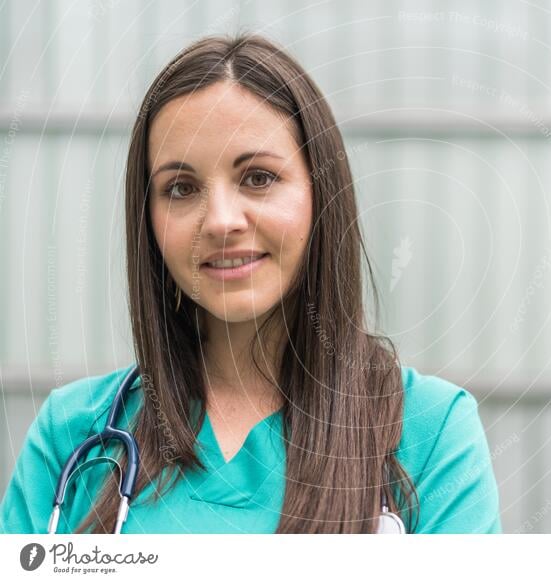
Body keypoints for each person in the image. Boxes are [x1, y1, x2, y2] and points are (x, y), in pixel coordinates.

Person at [0, 34, 501, 534]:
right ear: (148, 220)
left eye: (258, 177)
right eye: (181, 187)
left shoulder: (431, 434)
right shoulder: (70, 435)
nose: (221, 220)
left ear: (320, 194)